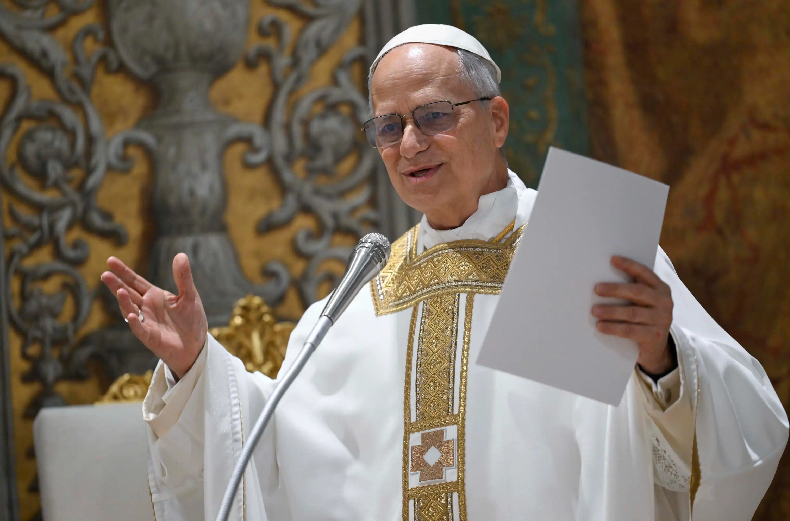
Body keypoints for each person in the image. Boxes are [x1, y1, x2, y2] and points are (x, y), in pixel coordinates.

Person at [102, 24, 787, 521]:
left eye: (433, 115)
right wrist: (195, 367)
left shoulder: (585, 248)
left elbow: (748, 421)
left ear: (497, 119)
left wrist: (662, 359)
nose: (410, 144)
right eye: (388, 126)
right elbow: (274, 455)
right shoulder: (362, 297)